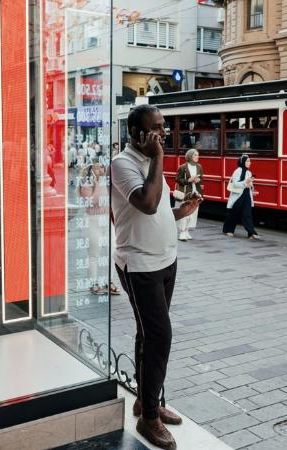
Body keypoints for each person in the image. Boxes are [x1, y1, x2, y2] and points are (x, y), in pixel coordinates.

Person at [110, 104, 201, 450]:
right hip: (140, 265)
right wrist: (159, 155)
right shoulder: (123, 163)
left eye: (163, 128)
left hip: (166, 261)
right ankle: (149, 418)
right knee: (160, 336)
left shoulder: (151, 162)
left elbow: (158, 210)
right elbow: (146, 203)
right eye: (157, 128)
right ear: (137, 133)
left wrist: (181, 211)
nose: (163, 133)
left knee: (148, 334)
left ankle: (146, 400)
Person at [78, 162, 120, 295]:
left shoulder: (107, 182)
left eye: (102, 166)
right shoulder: (86, 183)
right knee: (94, 255)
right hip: (92, 221)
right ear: (91, 169)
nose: (101, 169)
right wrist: (96, 184)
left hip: (107, 221)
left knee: (113, 252)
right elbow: (92, 201)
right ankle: (93, 283)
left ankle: (109, 281)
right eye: (98, 166)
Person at [223, 154, 260, 239]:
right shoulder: (237, 171)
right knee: (233, 212)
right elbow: (235, 184)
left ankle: (251, 233)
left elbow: (249, 184)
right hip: (238, 195)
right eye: (247, 161)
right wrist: (245, 183)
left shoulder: (249, 172)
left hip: (247, 195)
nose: (249, 162)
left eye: (250, 161)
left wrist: (252, 190)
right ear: (242, 162)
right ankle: (229, 230)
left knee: (247, 214)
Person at [174, 149, 203, 241]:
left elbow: (201, 178)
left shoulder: (199, 167)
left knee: (192, 213)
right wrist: (188, 180)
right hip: (186, 193)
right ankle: (182, 232)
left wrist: (198, 180)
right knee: (184, 212)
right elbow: (177, 179)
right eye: (195, 155)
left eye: (197, 155)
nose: (197, 157)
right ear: (190, 156)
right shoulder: (183, 167)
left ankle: (186, 230)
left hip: (196, 193)